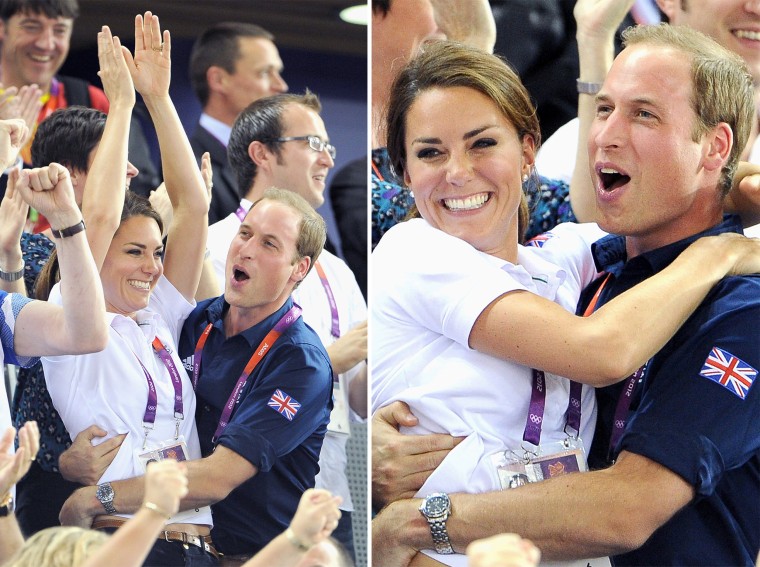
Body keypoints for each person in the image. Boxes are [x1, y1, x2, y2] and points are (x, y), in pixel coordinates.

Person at [371, 26, 760, 566]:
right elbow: (599, 348)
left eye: (643, 114)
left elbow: (626, 507)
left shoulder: (739, 304)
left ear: (527, 152)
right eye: (604, 109)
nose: (605, 135)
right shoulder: (598, 265)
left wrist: (413, 524)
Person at [59, 188, 334, 564]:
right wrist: (69, 461)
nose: (246, 249)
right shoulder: (196, 321)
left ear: (299, 268)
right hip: (181, 544)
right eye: (245, 233)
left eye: (269, 244)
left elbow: (216, 478)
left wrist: (96, 497)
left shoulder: (302, 363)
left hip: (257, 556)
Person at [39, 13, 214, 565]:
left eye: (156, 252)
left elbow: (193, 207)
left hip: (198, 544)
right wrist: (121, 106)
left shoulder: (154, 314)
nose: (153, 268)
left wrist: (159, 100)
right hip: (120, 541)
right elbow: (97, 215)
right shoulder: (71, 312)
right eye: (134, 253)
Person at [206, 91, 366, 561]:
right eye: (314, 142)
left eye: (331, 148)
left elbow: (357, 399)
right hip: (249, 493)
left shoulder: (336, 268)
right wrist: (329, 362)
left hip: (332, 489)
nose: (327, 158)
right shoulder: (216, 249)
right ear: (262, 154)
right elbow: (213, 374)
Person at [0, 0, 158, 202]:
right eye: (31, 27)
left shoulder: (93, 100)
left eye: (59, 30)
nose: (46, 43)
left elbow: (140, 187)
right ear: (2, 28)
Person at [188, 21, 288, 224]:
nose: (281, 86)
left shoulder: (281, 164)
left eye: (278, 72)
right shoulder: (188, 165)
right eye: (265, 72)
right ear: (218, 80)